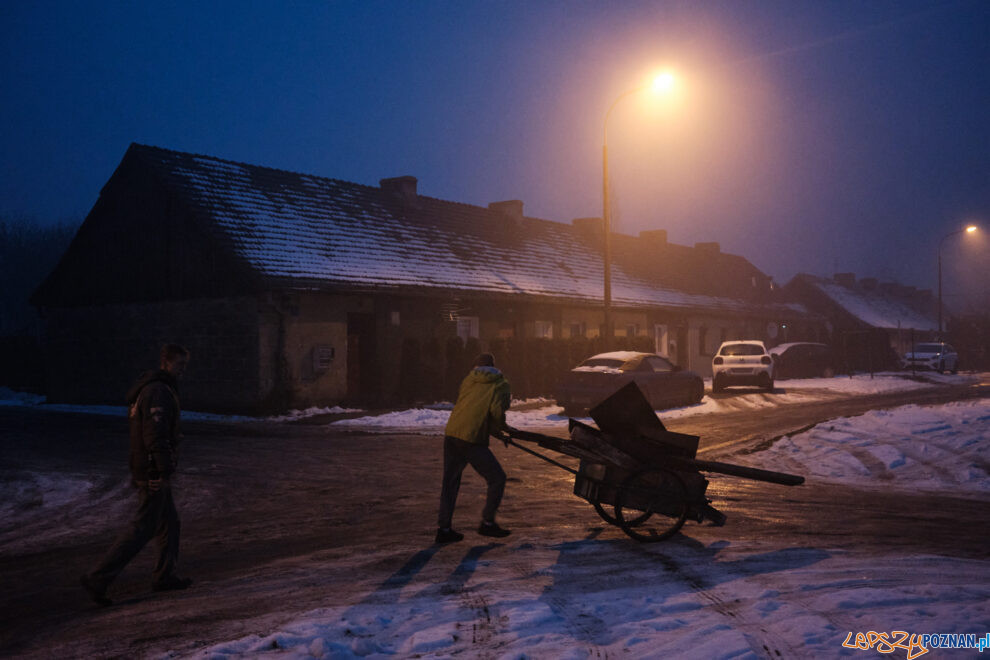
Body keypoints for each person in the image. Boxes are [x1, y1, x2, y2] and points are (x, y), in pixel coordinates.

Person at [80, 344, 192, 606]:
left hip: (150, 466)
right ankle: (98, 577)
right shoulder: (157, 391)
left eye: (185, 365)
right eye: (179, 364)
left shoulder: (157, 388)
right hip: (151, 469)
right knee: (143, 527)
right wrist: (158, 469)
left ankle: (165, 576)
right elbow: (154, 434)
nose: (183, 370)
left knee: (169, 523)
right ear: (165, 362)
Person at [435, 352, 515, 543]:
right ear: (494, 366)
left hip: (453, 433)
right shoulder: (500, 384)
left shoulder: (468, 380)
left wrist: (498, 433)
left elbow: (474, 411)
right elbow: (495, 414)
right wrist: (502, 431)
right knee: (497, 478)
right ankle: (487, 523)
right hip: (471, 438)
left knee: (450, 482)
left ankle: (443, 529)